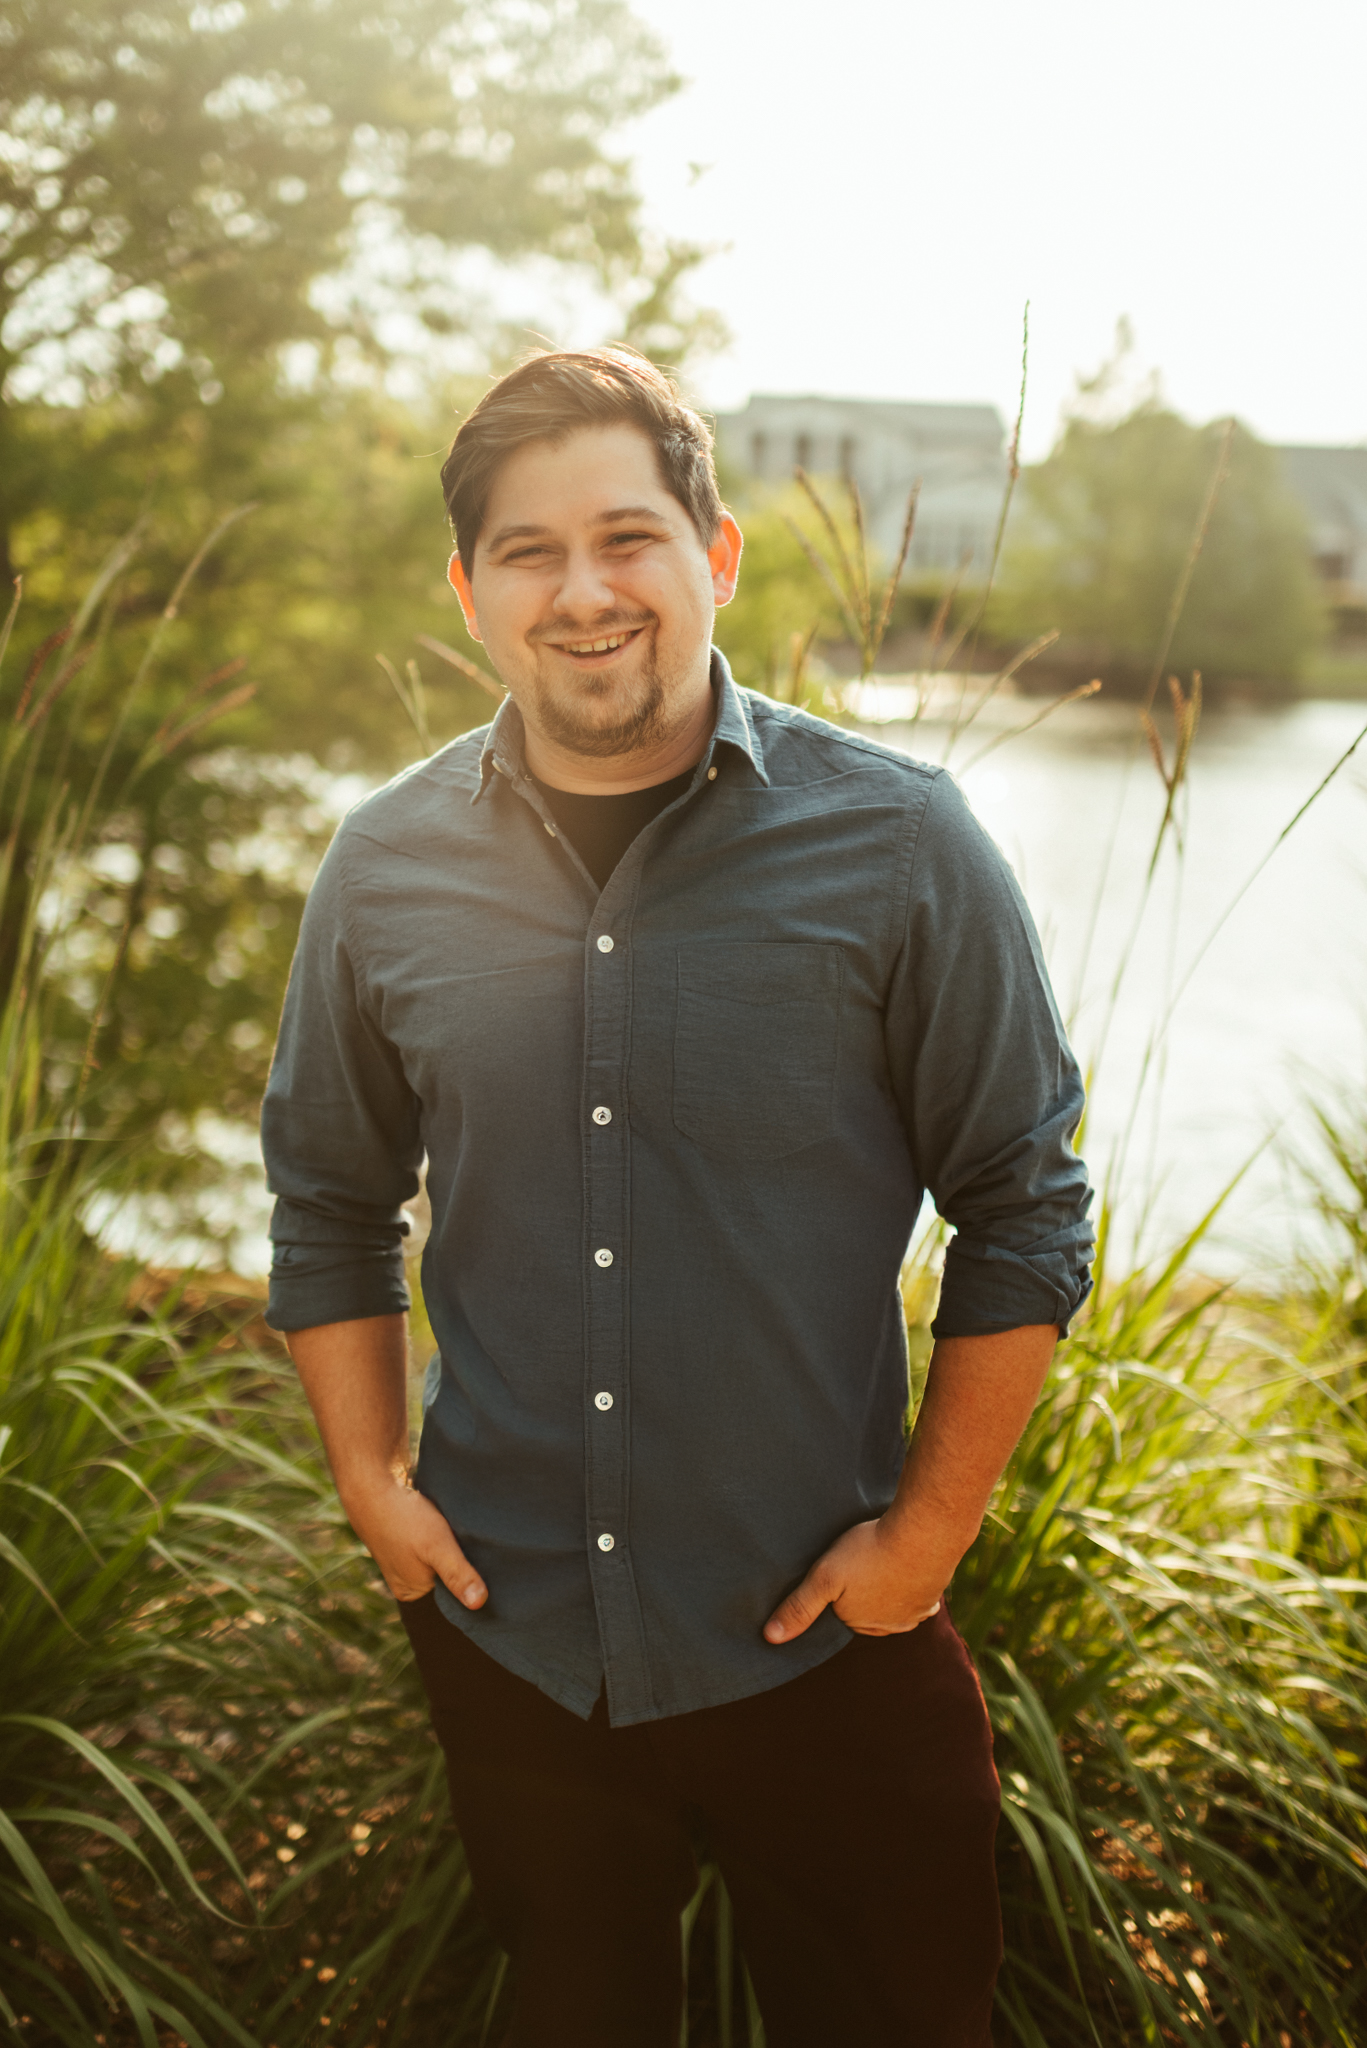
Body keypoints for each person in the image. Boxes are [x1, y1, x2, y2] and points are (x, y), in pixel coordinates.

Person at [261, 347, 1093, 2047]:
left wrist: (922, 1544)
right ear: (471, 591)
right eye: (528, 552)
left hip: (830, 1636)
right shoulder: (382, 868)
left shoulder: (902, 845)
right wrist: (371, 1484)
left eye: (626, 538)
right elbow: (329, 1198)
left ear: (715, 556)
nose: (584, 593)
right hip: (511, 1643)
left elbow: (1023, 1202)